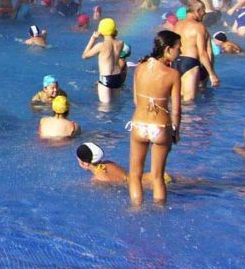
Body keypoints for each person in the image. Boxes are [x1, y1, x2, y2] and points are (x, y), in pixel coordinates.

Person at [128, 31, 182, 205]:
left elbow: (136, 101)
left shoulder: (139, 68)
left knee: (135, 176)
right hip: (160, 126)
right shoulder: (173, 74)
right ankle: (160, 214)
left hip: (139, 125)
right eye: (178, 48)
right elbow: (176, 110)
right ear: (167, 49)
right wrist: (175, 131)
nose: (180, 52)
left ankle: (136, 210)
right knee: (157, 177)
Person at [174, 0, 220, 100]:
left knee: (178, 99)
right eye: (203, 11)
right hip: (190, 63)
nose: (204, 14)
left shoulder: (177, 24)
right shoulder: (199, 27)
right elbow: (202, 52)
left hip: (176, 62)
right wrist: (212, 74)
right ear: (198, 11)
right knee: (189, 103)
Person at [75, 142, 172, 188]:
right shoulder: (109, 163)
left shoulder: (97, 180)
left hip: (152, 186)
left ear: (85, 163)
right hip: (157, 176)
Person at [82, 18, 124, 106]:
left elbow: (84, 56)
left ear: (101, 30)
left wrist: (93, 39)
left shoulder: (100, 46)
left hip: (106, 78)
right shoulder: (120, 43)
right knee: (115, 105)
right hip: (118, 77)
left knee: (104, 108)